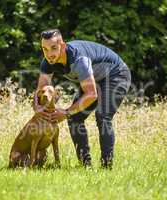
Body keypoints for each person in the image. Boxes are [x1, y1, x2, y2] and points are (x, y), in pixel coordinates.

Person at [33, 29, 131, 169]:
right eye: (45, 49)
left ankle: (106, 167)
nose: (49, 54)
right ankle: (86, 166)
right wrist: (38, 108)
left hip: (116, 74)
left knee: (102, 116)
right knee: (75, 118)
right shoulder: (47, 62)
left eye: (54, 48)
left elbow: (91, 94)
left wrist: (66, 112)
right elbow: (40, 90)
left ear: (63, 45)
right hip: (95, 79)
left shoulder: (79, 59)